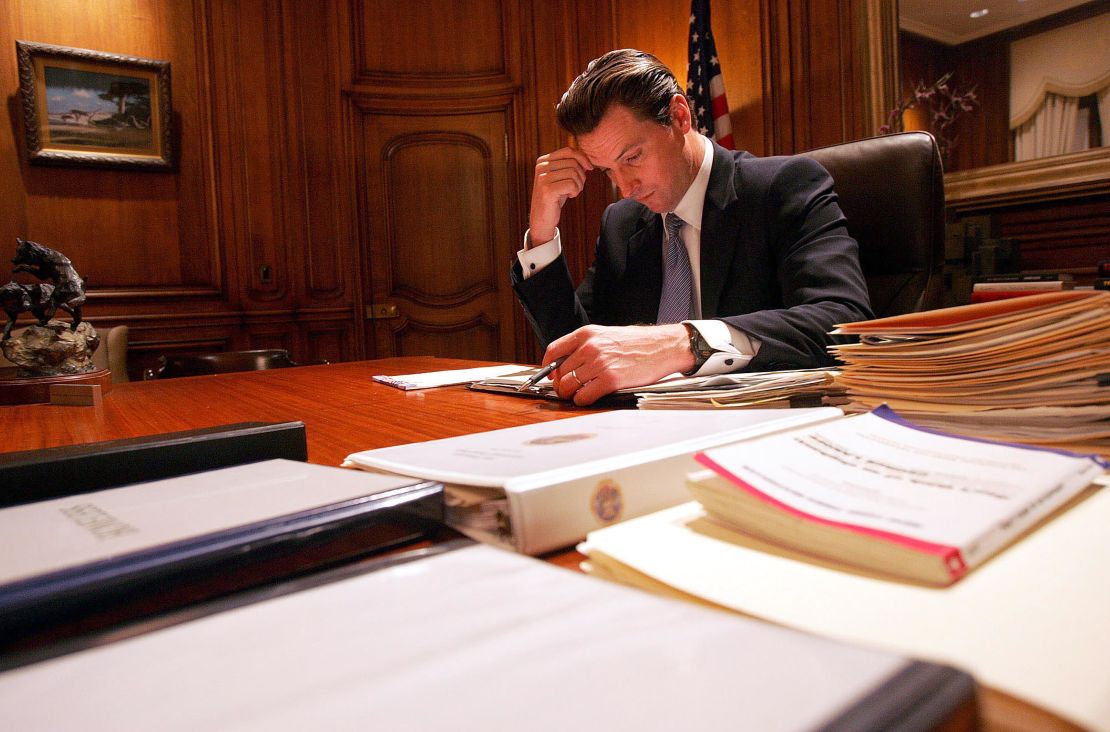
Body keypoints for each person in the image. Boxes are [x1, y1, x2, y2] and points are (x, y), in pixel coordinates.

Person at [511, 49, 873, 405]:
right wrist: (542, 236)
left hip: (758, 434)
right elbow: (574, 359)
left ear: (679, 116)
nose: (626, 188)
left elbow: (843, 322)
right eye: (607, 170)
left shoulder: (781, 187)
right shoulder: (621, 224)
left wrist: (682, 344)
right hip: (640, 435)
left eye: (633, 157)